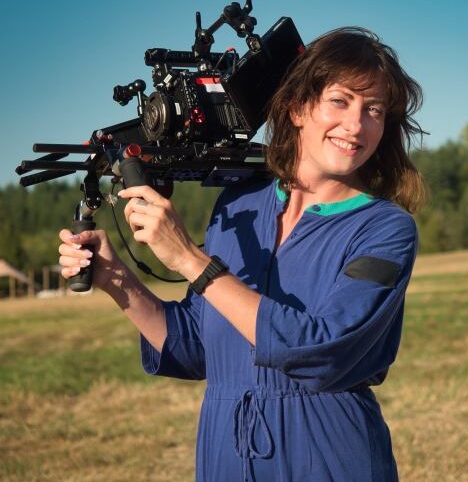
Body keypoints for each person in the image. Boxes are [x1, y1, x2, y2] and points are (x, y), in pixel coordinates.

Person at [58, 27, 426, 481]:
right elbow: (197, 346)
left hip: (327, 456)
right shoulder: (237, 207)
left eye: (374, 110)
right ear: (297, 107)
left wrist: (192, 261)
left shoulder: (384, 229)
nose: (356, 125)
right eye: (340, 100)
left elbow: (321, 350)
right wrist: (116, 279)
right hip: (226, 455)